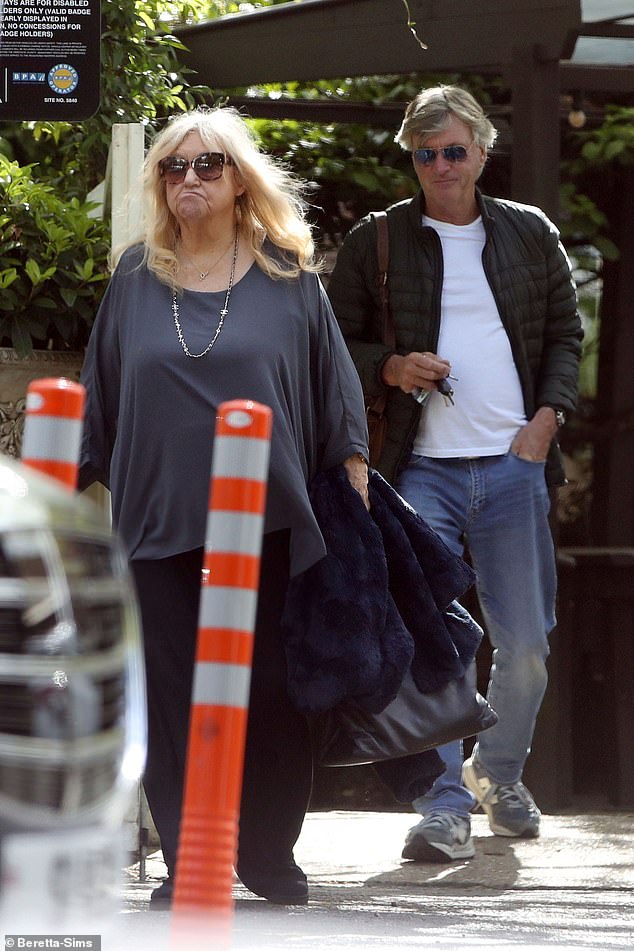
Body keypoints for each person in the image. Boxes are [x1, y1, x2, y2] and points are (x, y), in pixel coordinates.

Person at [78, 106, 369, 907]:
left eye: (208, 165)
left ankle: (267, 850)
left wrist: (352, 480)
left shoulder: (286, 274)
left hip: (272, 522)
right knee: (172, 697)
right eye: (174, 168)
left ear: (240, 181)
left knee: (271, 686)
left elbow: (334, 390)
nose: (190, 180)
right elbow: (99, 399)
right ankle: (191, 860)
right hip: (157, 522)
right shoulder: (136, 276)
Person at [327, 84, 582, 863]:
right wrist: (394, 365)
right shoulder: (381, 238)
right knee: (428, 636)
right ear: (411, 156)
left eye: (453, 151)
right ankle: (442, 806)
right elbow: (333, 345)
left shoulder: (529, 233)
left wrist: (546, 421)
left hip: (513, 464)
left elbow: (566, 335)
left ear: (481, 151)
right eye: (424, 153)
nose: (440, 165)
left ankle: (495, 775)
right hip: (417, 470)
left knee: (527, 642)